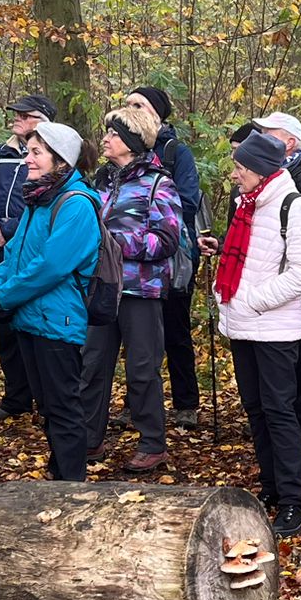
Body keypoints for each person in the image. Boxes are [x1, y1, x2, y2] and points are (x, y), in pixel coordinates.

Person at [0, 121, 99, 480]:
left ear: (60, 160)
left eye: (36, 152)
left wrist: (6, 298)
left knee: (63, 408)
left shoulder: (76, 204)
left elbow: (51, 266)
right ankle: (59, 478)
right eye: (28, 151)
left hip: (57, 321)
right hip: (30, 319)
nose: (27, 159)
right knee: (47, 407)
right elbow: (13, 255)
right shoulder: (38, 199)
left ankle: (72, 487)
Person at [215, 130, 301, 535]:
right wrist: (227, 295)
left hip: (274, 329)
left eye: (240, 167)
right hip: (242, 325)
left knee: (279, 412)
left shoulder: (292, 206)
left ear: (260, 170)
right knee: (256, 410)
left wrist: (254, 300)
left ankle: (295, 500)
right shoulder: (247, 204)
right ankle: (272, 487)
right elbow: (243, 261)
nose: (235, 174)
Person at [80, 103, 184, 472]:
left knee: (142, 369)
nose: (106, 139)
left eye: (114, 133)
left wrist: (114, 243)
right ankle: (88, 440)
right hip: (102, 288)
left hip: (141, 291)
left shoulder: (159, 184)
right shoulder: (101, 182)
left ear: (132, 141)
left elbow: (167, 240)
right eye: (107, 131)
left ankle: (152, 443)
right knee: (92, 364)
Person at [0, 92, 58, 423]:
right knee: (6, 332)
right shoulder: (0, 153)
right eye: (16, 114)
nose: (17, 118)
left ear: (43, 121)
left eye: (25, 114)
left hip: (33, 256)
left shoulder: (55, 156)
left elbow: (47, 203)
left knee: (40, 334)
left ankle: (49, 405)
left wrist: (10, 229)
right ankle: (16, 399)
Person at [125, 87, 206, 430]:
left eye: (138, 104)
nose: (131, 109)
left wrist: (145, 216)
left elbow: (187, 201)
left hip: (173, 256)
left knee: (175, 329)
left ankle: (186, 404)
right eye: (127, 104)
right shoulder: (123, 151)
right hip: (134, 259)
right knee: (136, 336)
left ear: (157, 113)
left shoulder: (176, 152)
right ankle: (136, 405)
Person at [253, 111, 301, 441]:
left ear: (289, 142)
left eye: (269, 134)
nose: (261, 140)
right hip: (276, 278)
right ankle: (284, 419)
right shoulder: (266, 175)